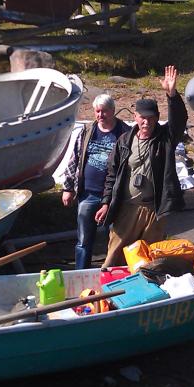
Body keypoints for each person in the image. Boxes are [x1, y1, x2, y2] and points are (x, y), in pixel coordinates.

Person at [95, 65, 188, 268]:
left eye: (151, 118)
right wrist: (105, 203)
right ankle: (109, 284)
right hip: (126, 209)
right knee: (115, 256)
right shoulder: (124, 141)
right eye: (143, 117)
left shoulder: (165, 139)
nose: (146, 122)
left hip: (153, 210)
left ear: (157, 118)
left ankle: (147, 287)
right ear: (135, 117)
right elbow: (112, 175)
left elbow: (179, 121)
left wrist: (172, 95)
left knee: (149, 260)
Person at [61, 93, 130, 269]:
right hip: (88, 194)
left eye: (104, 111)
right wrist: (68, 188)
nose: (100, 115)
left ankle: (111, 274)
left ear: (113, 111)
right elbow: (74, 159)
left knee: (113, 239)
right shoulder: (87, 131)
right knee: (83, 240)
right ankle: (80, 274)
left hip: (114, 197)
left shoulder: (125, 133)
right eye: (97, 111)